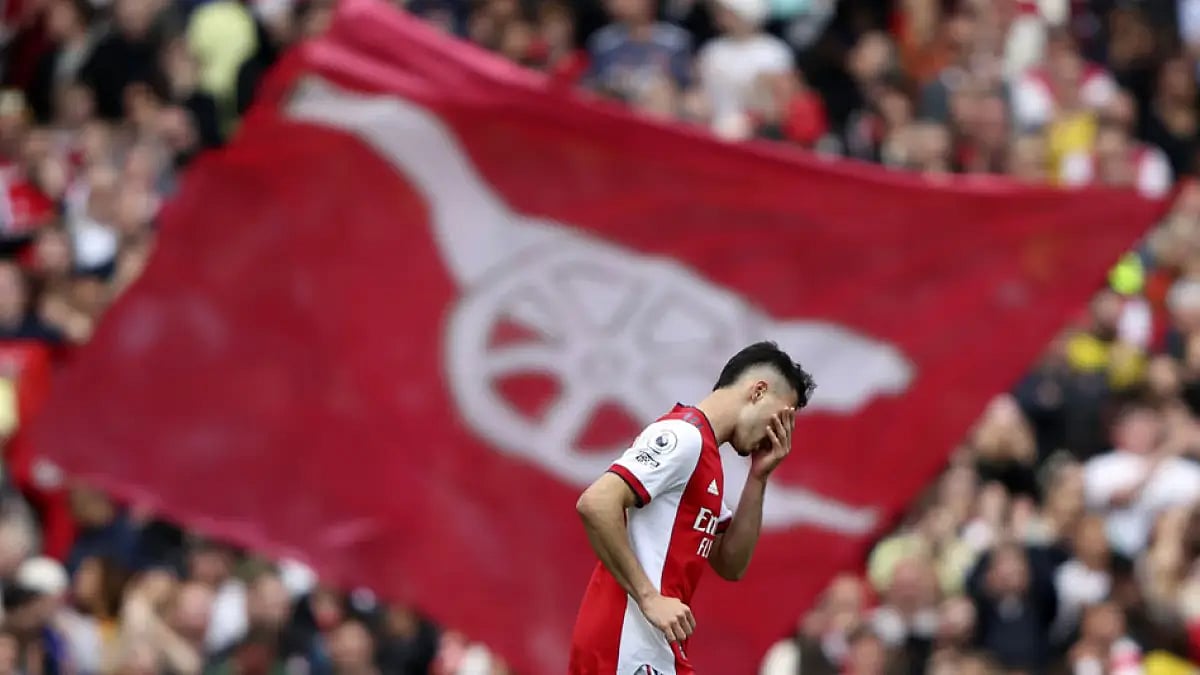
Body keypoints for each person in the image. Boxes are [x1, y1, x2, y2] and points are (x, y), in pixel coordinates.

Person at [569, 341, 816, 674]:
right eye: (782, 416)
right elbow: (597, 503)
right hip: (626, 645)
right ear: (758, 391)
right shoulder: (684, 437)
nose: (779, 433)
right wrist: (649, 597)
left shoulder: (706, 458)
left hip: (653, 647)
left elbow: (731, 564)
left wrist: (758, 478)